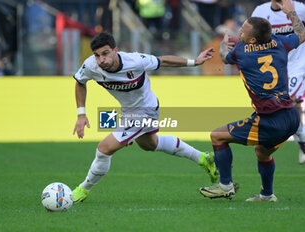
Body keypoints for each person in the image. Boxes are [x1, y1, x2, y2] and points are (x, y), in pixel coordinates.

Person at [72, 31, 216, 204]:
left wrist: (195, 62)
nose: (101, 59)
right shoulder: (91, 66)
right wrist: (81, 114)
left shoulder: (135, 60)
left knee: (104, 149)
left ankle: (82, 190)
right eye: (97, 55)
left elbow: (163, 60)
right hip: (128, 111)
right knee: (150, 144)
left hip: (146, 109)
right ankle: (202, 158)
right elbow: (80, 82)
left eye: (105, 53)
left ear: (115, 50)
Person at [199, 0, 305, 202]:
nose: (239, 32)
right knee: (262, 153)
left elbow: (224, 57)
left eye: (243, 31)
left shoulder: (241, 52)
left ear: (253, 40)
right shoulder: (280, 43)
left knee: (217, 136)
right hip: (291, 119)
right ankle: (267, 195)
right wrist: (291, 13)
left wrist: (223, 46)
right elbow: (302, 34)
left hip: (269, 121)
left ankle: (225, 186)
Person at [252, 0, 305, 164]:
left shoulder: (301, 9)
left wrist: (292, 13)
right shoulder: (260, 11)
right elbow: (251, 37)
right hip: (274, 67)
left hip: (298, 64)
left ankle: (303, 141)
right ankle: (303, 140)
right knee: (288, 108)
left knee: (287, 102)